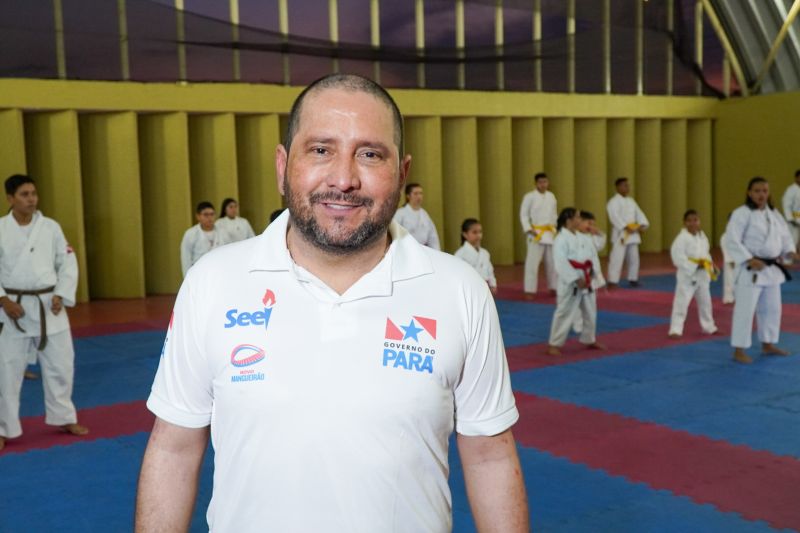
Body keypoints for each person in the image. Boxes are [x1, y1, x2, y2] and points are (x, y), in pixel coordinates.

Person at [136, 74, 528, 532]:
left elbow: (489, 456)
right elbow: (174, 447)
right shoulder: (213, 282)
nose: (343, 179)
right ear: (283, 165)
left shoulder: (459, 291)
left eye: (369, 154)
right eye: (321, 150)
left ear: (402, 173)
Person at [0, 174, 88, 452]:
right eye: (25, 194)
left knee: (61, 365)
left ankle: (63, 417)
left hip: (50, 305)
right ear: (10, 198)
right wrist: (3, 299)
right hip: (12, 308)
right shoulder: (1, 228)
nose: (31, 199)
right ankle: (3, 428)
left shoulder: (50, 227)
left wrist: (61, 293)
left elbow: (67, 261)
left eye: (34, 193)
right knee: (7, 371)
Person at [723, 177, 798, 364]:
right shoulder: (741, 213)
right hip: (751, 269)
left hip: (771, 269)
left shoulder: (774, 213)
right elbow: (731, 240)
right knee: (745, 311)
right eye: (757, 191)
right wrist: (749, 258)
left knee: (772, 309)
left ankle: (768, 343)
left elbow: (785, 236)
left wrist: (790, 252)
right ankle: (739, 349)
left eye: (764, 191)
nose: (761, 194)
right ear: (749, 193)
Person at [547, 208, 605, 357]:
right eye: (577, 217)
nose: (580, 220)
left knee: (591, 311)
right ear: (569, 221)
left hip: (587, 279)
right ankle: (554, 343)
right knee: (564, 312)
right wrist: (576, 279)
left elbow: (593, 256)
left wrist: (593, 274)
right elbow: (560, 262)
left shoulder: (583, 237)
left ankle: (589, 339)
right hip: (570, 283)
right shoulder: (560, 239)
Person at [667, 210, 719, 338]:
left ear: (699, 221)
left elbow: (706, 254)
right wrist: (695, 265)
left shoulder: (702, 237)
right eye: (689, 220)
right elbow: (677, 258)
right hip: (687, 276)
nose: (693, 223)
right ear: (684, 223)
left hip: (702, 275)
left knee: (706, 303)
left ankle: (709, 327)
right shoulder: (681, 239)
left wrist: (712, 266)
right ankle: (675, 329)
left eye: (695, 220)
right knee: (681, 303)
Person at [519, 172, 558, 298]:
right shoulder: (529, 197)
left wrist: (555, 227)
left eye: (545, 182)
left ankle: (554, 287)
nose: (543, 184)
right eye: (540, 182)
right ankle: (529, 290)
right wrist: (529, 228)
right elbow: (524, 215)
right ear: (536, 183)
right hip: (535, 233)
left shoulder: (551, 196)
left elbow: (554, 214)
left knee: (552, 263)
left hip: (549, 232)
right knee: (532, 263)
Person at [606, 177, 649, 288]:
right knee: (617, 258)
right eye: (625, 185)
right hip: (621, 233)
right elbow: (614, 217)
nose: (627, 187)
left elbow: (639, 214)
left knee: (634, 257)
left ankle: (633, 278)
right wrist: (625, 227)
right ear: (618, 187)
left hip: (633, 233)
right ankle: (612, 281)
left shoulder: (631, 201)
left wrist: (642, 224)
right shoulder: (613, 202)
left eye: (628, 185)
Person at [571, 211, 606, 335]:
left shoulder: (591, 238)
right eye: (588, 223)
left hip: (591, 276)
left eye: (593, 224)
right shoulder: (572, 237)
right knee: (576, 302)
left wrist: (599, 233)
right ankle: (577, 325)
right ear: (578, 222)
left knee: (591, 303)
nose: (590, 226)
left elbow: (600, 245)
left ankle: (588, 325)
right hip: (578, 276)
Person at [180, 201, 229, 277]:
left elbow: (228, 254)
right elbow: (186, 259)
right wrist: (188, 278)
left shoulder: (223, 232)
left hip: (219, 272)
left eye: (212, 214)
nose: (209, 218)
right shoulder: (191, 234)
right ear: (198, 216)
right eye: (206, 215)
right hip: (199, 274)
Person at [392, 183, 441, 250]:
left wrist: (436, 252)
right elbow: (393, 234)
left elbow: (432, 236)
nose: (419, 196)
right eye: (415, 193)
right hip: (405, 249)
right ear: (408, 196)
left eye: (421, 193)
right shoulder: (400, 213)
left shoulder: (424, 214)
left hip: (423, 250)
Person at [454, 218, 497, 294]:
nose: (478, 235)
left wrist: (493, 284)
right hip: (469, 290)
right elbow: (458, 276)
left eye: (480, 232)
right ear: (465, 234)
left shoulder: (485, 253)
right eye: (474, 232)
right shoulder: (460, 254)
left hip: (485, 288)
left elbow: (490, 271)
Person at [782, 169, 800, 248]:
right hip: (794, 220)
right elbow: (786, 205)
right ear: (796, 178)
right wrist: (790, 218)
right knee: (793, 240)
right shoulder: (791, 189)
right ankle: (788, 259)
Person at [720, 213, 735, 305]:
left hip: (739, 259)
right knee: (729, 279)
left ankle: (735, 296)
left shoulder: (736, 230)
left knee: (737, 280)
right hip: (731, 260)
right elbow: (725, 246)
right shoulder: (727, 235)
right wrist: (730, 259)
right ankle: (728, 298)